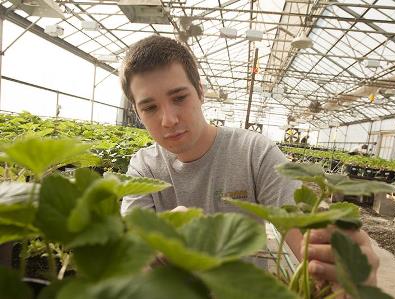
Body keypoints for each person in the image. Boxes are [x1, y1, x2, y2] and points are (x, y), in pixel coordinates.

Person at [119, 35, 379, 286]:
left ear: (200, 92)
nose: (168, 120)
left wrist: (338, 272)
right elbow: (132, 259)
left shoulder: (255, 152)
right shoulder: (144, 168)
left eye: (179, 98)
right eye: (150, 107)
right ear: (138, 112)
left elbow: (305, 243)